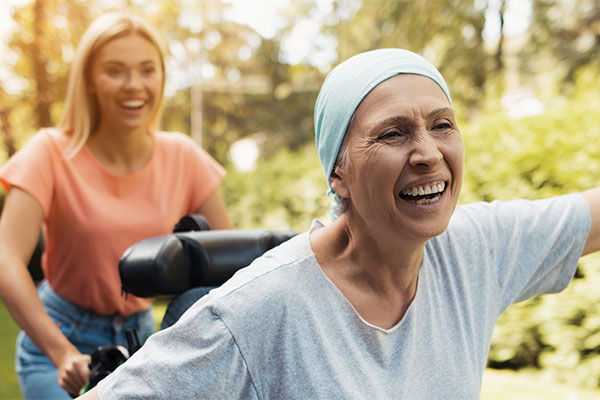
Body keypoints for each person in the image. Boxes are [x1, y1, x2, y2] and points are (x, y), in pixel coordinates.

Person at [82, 49, 599, 399]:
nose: (427, 153)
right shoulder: (259, 310)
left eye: (442, 125)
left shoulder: (476, 249)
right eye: (393, 134)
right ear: (339, 174)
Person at [0, 12, 233, 399]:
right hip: (59, 338)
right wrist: (61, 353)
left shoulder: (183, 157)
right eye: (115, 71)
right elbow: (6, 260)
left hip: (142, 339)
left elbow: (229, 262)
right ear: (90, 81)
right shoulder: (49, 153)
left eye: (147, 70)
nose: (134, 86)